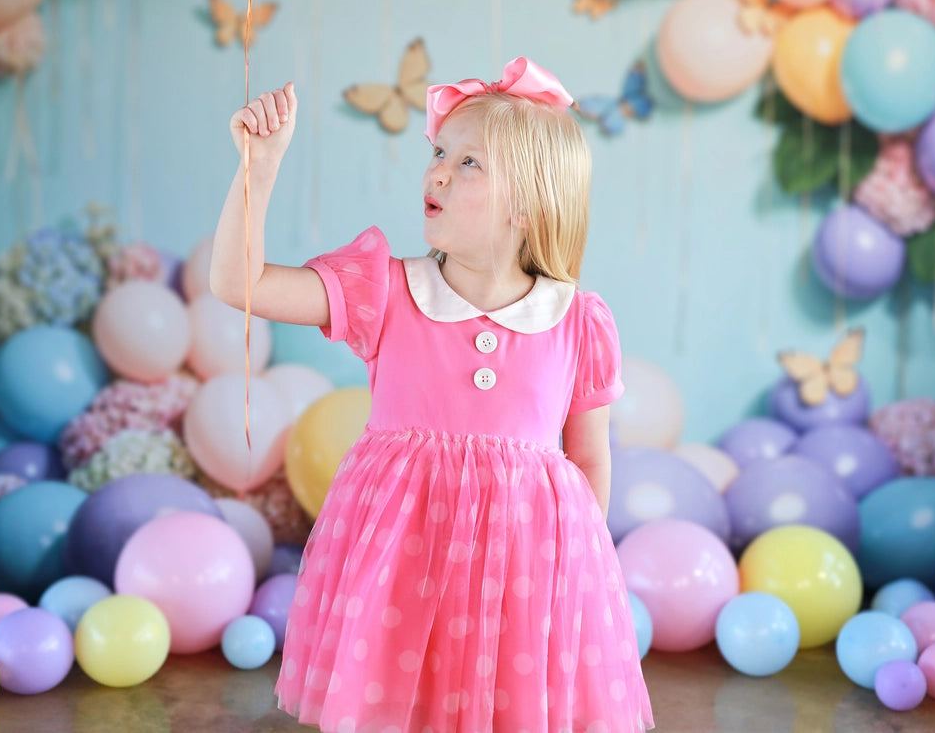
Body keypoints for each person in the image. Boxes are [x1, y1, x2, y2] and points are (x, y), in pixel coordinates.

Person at [208, 57, 654, 733]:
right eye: (439, 153)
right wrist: (257, 171)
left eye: (468, 162)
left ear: (530, 204)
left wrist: (579, 586)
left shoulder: (576, 322)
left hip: (522, 580)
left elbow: (589, 462)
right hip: (403, 566)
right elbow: (240, 286)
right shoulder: (386, 289)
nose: (437, 171)